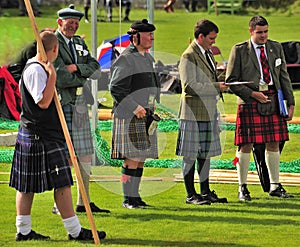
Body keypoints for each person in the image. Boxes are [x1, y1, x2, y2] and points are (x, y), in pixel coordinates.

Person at [9, 31, 106, 242]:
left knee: (43, 185)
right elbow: (42, 102)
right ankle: (71, 231)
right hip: (39, 135)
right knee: (54, 184)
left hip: (43, 134)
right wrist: (52, 76)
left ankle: (27, 231)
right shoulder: (37, 70)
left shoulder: (38, 67)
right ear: (53, 50)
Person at [225, 15, 295, 201]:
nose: (263, 36)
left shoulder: (276, 47)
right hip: (250, 101)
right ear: (251, 31)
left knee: (274, 142)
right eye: (259, 32)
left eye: (266, 32)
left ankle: (275, 185)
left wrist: (291, 102)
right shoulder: (239, 50)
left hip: (273, 98)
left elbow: (284, 76)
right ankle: (242, 187)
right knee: (245, 144)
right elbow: (231, 81)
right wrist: (252, 94)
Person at [52, 5, 110, 214]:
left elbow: (95, 69)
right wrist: (77, 75)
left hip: (80, 105)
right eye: (70, 23)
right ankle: (60, 204)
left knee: (85, 154)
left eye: (76, 24)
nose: (74, 27)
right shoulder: (51, 42)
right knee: (65, 155)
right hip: (62, 103)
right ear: (60, 22)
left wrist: (77, 68)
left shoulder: (78, 42)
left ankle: (83, 200)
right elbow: (60, 77)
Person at [176, 19, 229, 205]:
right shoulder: (188, 56)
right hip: (192, 114)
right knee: (190, 155)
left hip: (207, 111)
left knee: (205, 155)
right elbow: (189, 86)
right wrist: (216, 87)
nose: (214, 41)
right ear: (201, 36)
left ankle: (205, 192)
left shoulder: (206, 53)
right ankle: (191, 194)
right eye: (211, 38)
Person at [109, 19, 160, 209]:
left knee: (140, 157)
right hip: (128, 114)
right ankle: (127, 199)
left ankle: (135, 196)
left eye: (152, 34)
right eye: (148, 35)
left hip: (144, 112)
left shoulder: (145, 57)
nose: (152, 38)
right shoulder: (126, 58)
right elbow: (116, 88)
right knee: (131, 157)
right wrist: (134, 106)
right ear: (136, 37)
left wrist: (152, 103)